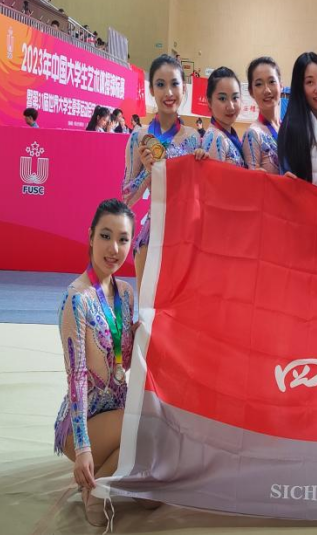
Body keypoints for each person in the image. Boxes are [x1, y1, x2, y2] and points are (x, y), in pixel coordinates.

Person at [54, 199, 136, 511]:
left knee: (151, 500)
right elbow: (75, 378)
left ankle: (102, 480)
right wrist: (84, 448)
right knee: (143, 426)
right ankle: (95, 494)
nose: (113, 248)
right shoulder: (77, 299)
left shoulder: (126, 293)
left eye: (123, 239)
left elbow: (124, 361)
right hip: (83, 425)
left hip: (117, 414)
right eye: (105, 236)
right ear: (90, 237)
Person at [121, 55, 201, 289]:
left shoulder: (194, 138)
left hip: (187, 240)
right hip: (152, 236)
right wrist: (148, 172)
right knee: (149, 308)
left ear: (184, 89)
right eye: (160, 84)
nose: (168, 92)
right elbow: (126, 198)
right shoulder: (139, 136)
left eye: (174, 84)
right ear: (151, 90)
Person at [277, 52, 317, 192]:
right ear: (300, 87)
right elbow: (287, 178)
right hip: (305, 204)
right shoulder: (291, 127)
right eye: (310, 82)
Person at [192, 66, 246, 167]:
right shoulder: (216, 138)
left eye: (235, 97)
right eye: (222, 98)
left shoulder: (225, 134)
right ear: (209, 102)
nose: (231, 107)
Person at [242, 57, 283, 174]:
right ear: (251, 91)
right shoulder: (253, 134)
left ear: (281, 86)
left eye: (272, 81)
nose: (267, 90)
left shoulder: (288, 129)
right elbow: (252, 182)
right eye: (259, 84)